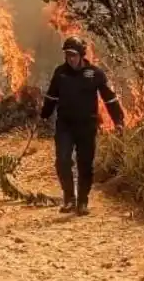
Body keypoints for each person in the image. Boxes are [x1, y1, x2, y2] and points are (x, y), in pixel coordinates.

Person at [40, 36, 124, 216]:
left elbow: (109, 98)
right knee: (63, 160)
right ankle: (69, 198)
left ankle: (83, 201)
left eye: (73, 55)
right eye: (67, 55)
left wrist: (118, 120)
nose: (70, 59)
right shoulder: (60, 73)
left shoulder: (95, 74)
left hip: (87, 125)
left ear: (81, 55)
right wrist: (44, 115)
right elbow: (51, 96)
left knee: (85, 163)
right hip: (65, 125)